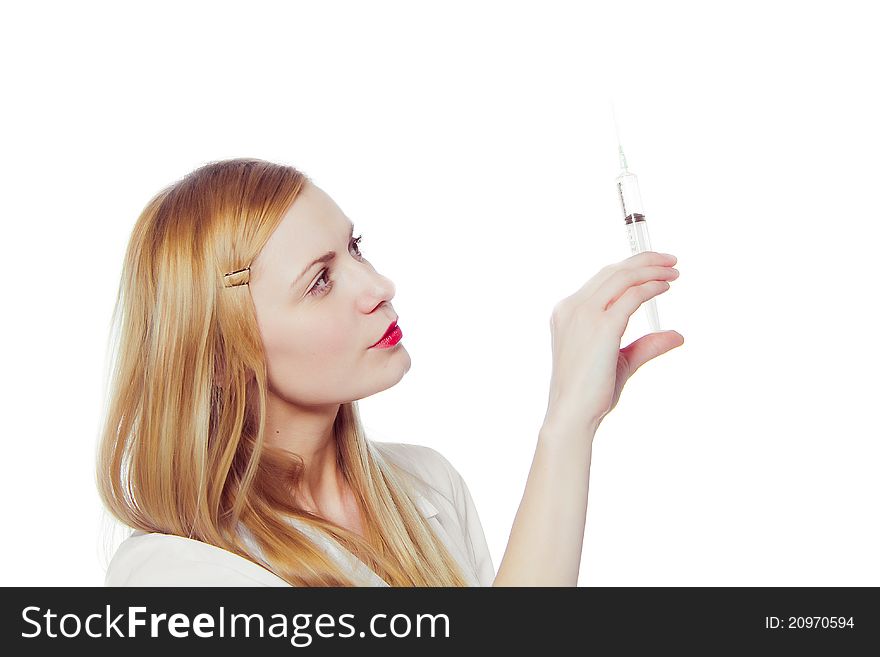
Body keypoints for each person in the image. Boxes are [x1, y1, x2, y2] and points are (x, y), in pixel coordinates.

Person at [97, 158, 683, 587]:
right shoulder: (172, 577)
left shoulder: (426, 485)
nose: (378, 287)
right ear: (222, 355)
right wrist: (563, 427)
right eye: (320, 280)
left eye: (355, 248)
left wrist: (574, 424)